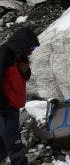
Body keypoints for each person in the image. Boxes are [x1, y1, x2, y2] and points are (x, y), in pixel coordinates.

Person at [0, 27, 38, 165]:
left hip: (13, 103)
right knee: (13, 138)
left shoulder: (19, 53)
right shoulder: (3, 54)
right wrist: (3, 105)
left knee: (4, 138)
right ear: (23, 42)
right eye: (31, 47)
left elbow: (24, 76)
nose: (32, 51)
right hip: (5, 105)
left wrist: (25, 70)